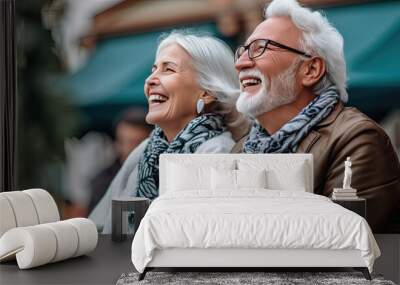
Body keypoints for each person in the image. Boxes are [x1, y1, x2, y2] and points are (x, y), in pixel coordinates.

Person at [232, 0, 400, 232]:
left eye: (260, 48)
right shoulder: (242, 149)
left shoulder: (357, 139)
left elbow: (336, 244)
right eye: (242, 51)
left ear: (310, 71)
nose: (241, 63)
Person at [90, 31, 248, 233]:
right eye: (154, 69)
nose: (150, 80)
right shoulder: (146, 149)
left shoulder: (218, 154)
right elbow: (99, 224)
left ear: (207, 92)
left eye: (168, 70)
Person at [87, 108, 152, 213]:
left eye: (139, 143)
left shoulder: (161, 176)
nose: (135, 150)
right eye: (129, 143)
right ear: (117, 144)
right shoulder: (103, 182)